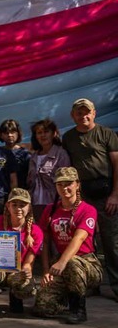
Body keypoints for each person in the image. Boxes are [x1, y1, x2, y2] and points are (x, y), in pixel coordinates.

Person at [61, 98, 118, 300]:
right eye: (79, 112)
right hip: (82, 194)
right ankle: (91, 282)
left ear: (94, 113)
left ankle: (116, 285)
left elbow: (116, 164)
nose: (83, 116)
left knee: (111, 241)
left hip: (105, 192)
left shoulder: (106, 134)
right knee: (86, 241)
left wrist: (115, 194)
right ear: (72, 115)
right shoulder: (68, 138)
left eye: (87, 112)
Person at [35, 167, 103, 324]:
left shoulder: (88, 210)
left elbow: (78, 239)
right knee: (43, 308)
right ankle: (64, 294)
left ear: (77, 184)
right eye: (60, 184)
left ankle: (78, 309)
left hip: (86, 262)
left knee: (72, 263)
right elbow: (44, 242)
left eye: (68, 183)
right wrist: (46, 270)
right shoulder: (50, 209)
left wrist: (61, 262)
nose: (64, 188)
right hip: (61, 263)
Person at [0, 188, 43, 318]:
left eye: (22, 205)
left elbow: (30, 259)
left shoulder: (35, 231)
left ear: (29, 207)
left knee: (25, 285)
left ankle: (16, 298)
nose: (18, 208)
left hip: (17, 271)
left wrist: (27, 268)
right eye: (14, 204)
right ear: (8, 206)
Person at [27, 119, 70, 220]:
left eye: (46, 132)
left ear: (54, 133)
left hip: (55, 204)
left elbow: (66, 181)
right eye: (39, 133)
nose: (43, 135)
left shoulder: (61, 154)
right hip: (35, 204)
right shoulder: (34, 156)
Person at [0, 119, 31, 188]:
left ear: (18, 133)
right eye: (6, 133)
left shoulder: (25, 154)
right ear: (1, 135)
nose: (9, 135)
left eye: (12, 132)